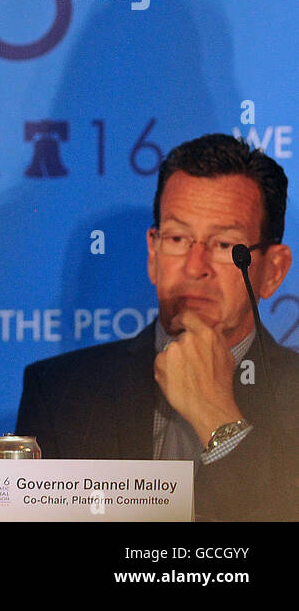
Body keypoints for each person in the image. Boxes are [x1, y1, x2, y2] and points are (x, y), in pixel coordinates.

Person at [16, 133, 299, 520]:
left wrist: (217, 419)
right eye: (179, 238)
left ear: (273, 271)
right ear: (153, 253)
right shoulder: (60, 393)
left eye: (223, 245)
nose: (194, 265)